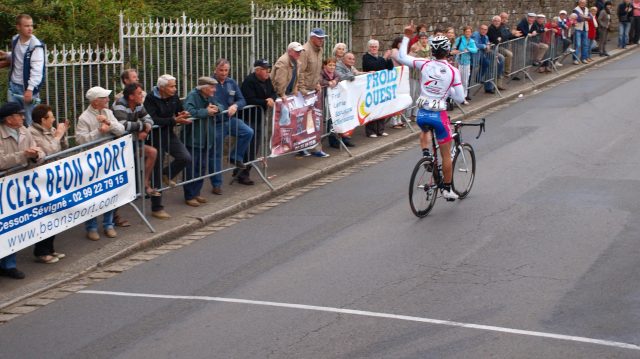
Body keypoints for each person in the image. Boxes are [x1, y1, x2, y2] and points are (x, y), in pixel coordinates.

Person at [397, 24, 465, 201]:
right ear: (448, 50)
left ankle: (426, 156)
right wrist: (448, 91)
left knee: (425, 130)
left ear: (432, 51)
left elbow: (402, 56)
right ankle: (447, 189)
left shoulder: (424, 64)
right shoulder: (453, 71)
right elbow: (460, 97)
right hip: (438, 115)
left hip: (421, 114)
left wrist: (406, 36)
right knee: (446, 155)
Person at [0, 102, 44, 279]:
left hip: (20, 185)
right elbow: (1, 161)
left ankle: (9, 265)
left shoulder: (25, 131)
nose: (23, 117)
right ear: (9, 119)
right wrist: (23, 155)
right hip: (4, 184)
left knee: (14, 224)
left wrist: (36, 156)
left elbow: (39, 150)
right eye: (19, 115)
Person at [76, 86, 126, 241]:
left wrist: (108, 123)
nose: (108, 99)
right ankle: (91, 227)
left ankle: (108, 224)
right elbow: (80, 140)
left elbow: (121, 129)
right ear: (95, 101)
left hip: (109, 159)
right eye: (104, 98)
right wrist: (99, 131)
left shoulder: (108, 112)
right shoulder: (84, 118)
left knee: (110, 192)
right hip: (92, 162)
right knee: (93, 195)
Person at [144, 74, 193, 219]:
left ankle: (167, 173)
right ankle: (157, 207)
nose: (175, 89)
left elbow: (179, 110)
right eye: (172, 86)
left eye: (175, 85)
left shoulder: (173, 96)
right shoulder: (150, 99)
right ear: (162, 88)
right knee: (156, 173)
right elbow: (152, 119)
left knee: (185, 157)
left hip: (168, 134)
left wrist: (183, 115)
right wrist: (173, 120)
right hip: (154, 137)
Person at [29, 104, 68, 264]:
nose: (53, 119)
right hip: (40, 180)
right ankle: (41, 251)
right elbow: (49, 151)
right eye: (51, 117)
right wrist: (58, 135)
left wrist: (63, 135)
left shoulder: (50, 130)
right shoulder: (32, 133)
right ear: (43, 120)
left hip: (53, 178)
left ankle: (50, 248)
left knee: (55, 212)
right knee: (44, 214)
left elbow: (63, 148)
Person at [211, 58, 255, 193]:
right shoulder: (210, 83)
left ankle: (235, 157)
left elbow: (242, 99)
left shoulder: (231, 83)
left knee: (248, 132)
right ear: (215, 70)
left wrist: (235, 105)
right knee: (216, 154)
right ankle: (216, 184)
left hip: (230, 120)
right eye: (221, 70)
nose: (224, 73)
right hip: (216, 123)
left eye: (226, 70)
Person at [112, 82, 159, 198]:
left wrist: (144, 130)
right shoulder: (119, 104)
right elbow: (123, 125)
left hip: (131, 142)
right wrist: (142, 126)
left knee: (152, 152)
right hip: (118, 145)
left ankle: (144, 183)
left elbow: (149, 119)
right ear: (131, 96)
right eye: (139, 94)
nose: (142, 96)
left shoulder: (138, 104)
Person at [0, 14, 45, 127]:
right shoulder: (15, 39)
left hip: (27, 89)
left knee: (30, 121)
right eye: (26, 26)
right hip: (13, 86)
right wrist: (8, 55)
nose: (30, 28)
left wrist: (30, 89)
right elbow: (20, 57)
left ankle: (33, 143)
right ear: (18, 27)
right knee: (12, 119)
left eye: (31, 25)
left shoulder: (36, 46)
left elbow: (37, 70)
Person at [182, 76, 221, 205]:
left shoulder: (208, 96)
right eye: (211, 87)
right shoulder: (193, 96)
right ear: (203, 88)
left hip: (206, 138)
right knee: (191, 168)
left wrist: (217, 109)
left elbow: (220, 104)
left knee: (201, 166)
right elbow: (188, 111)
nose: (214, 90)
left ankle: (196, 192)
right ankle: (189, 195)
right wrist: (206, 111)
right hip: (193, 138)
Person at [239, 59, 278, 184]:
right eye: (265, 69)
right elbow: (249, 99)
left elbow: (273, 92)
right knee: (249, 146)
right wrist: (265, 102)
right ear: (258, 70)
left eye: (268, 69)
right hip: (248, 118)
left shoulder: (266, 80)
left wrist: (271, 98)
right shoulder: (249, 82)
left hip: (259, 117)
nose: (268, 72)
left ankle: (242, 170)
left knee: (255, 146)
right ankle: (243, 173)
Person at [296, 28, 330, 158]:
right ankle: (302, 147)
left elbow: (317, 70)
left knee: (315, 119)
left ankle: (316, 147)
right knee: (302, 120)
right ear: (312, 38)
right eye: (319, 38)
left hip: (313, 89)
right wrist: (303, 88)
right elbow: (301, 71)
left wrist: (317, 83)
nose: (322, 40)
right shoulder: (304, 51)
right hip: (304, 91)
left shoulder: (320, 50)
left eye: (322, 38)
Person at [362, 39, 394, 138]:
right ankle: (371, 131)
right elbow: (373, 66)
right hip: (371, 87)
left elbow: (390, 67)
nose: (374, 48)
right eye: (372, 47)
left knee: (381, 108)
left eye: (375, 46)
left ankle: (380, 129)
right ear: (369, 48)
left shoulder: (380, 58)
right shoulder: (366, 57)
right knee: (371, 109)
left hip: (380, 87)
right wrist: (384, 58)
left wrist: (388, 59)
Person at [472, 24, 506, 93]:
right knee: (487, 63)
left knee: (500, 58)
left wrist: (488, 47)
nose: (484, 31)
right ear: (479, 29)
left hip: (484, 53)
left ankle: (497, 75)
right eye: (482, 29)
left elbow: (488, 46)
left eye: (485, 30)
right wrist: (485, 46)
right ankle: (479, 78)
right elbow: (475, 44)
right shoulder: (476, 35)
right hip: (477, 54)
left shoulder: (486, 37)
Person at [451, 26, 477, 104]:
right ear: (464, 32)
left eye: (469, 32)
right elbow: (453, 48)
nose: (468, 33)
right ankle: (456, 97)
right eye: (466, 31)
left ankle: (463, 97)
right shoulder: (459, 39)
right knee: (457, 80)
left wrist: (468, 49)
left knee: (465, 81)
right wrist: (457, 51)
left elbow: (475, 50)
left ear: (471, 33)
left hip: (466, 63)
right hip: (458, 62)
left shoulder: (472, 41)